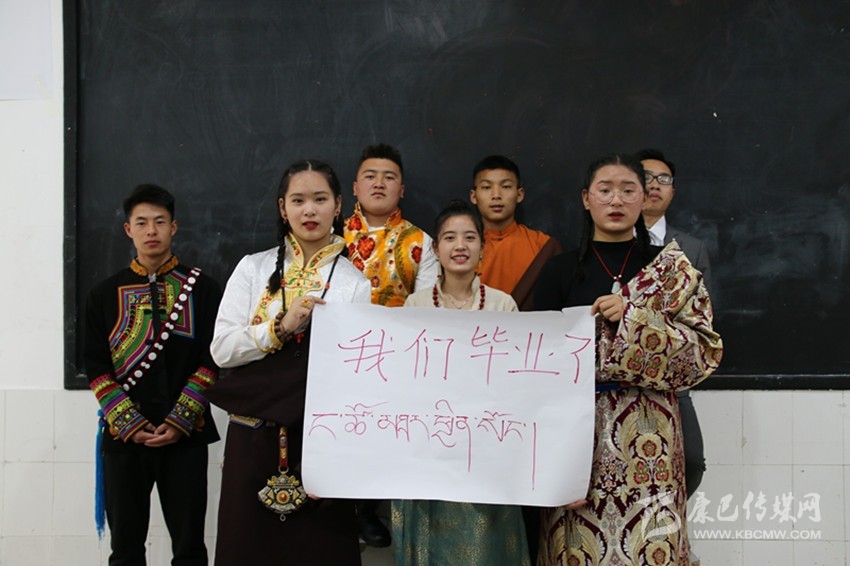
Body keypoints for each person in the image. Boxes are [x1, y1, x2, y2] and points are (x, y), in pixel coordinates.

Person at [534, 154, 723, 565]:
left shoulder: (670, 269)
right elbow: (536, 370)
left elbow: (702, 353)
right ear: (586, 199)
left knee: (651, 545)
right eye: (605, 190)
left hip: (652, 437)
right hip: (577, 434)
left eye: (627, 189)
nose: (616, 200)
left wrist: (635, 319)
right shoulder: (557, 271)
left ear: (644, 197)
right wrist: (553, 464)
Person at [207, 160, 372, 565]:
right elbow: (222, 350)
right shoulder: (253, 268)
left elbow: (354, 378)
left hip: (317, 443)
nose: (309, 210)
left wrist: (333, 455)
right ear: (283, 208)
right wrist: (280, 328)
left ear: (338, 206)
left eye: (320, 199)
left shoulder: (354, 283)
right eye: (298, 200)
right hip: (252, 436)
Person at [84, 184, 221, 565]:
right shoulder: (103, 295)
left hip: (186, 435)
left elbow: (213, 359)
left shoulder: (204, 290)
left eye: (160, 222)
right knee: (125, 550)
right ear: (128, 229)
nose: (151, 231)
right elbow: (95, 367)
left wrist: (180, 420)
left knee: (190, 548)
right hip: (124, 439)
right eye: (142, 222)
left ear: (173, 227)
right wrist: (128, 423)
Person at [393, 200, 530, 566]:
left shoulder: (502, 305)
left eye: (470, 237)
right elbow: (405, 381)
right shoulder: (415, 305)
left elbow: (516, 383)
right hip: (430, 450)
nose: (460, 246)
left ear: (483, 248)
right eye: (450, 238)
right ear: (436, 249)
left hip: (486, 450)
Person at [344, 143, 439, 546]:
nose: (379, 184)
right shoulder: (331, 235)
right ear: (354, 187)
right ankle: (338, 509)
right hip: (340, 354)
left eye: (389, 177)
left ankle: (367, 510)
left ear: (402, 189)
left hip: (396, 361)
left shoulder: (420, 241)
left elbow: (428, 304)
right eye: (370, 176)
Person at [636, 148, 711, 564]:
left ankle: (666, 530)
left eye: (662, 179)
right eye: (645, 177)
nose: (653, 185)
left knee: (692, 461)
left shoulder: (691, 249)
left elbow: (704, 318)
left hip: (670, 381)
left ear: (673, 191)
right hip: (619, 381)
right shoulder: (615, 241)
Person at [469, 155, 562, 311]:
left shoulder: (542, 246)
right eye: (486, 187)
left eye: (506, 187)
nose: (496, 195)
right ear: (474, 196)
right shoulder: (463, 248)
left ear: (519, 195)